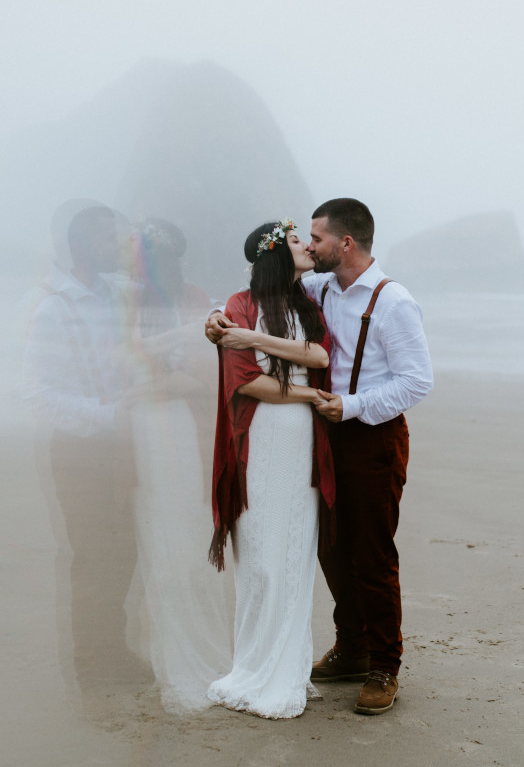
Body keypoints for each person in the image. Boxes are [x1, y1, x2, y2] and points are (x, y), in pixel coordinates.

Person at [206, 198, 433, 715]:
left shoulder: (393, 301)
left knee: (372, 553)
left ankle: (383, 666)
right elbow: (261, 295)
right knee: (329, 547)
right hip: (319, 435)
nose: (309, 246)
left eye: (318, 238)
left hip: (371, 435)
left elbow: (417, 381)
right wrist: (215, 318)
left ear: (345, 244)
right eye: (304, 239)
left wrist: (349, 406)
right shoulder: (318, 287)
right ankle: (351, 648)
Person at [206, 219, 336, 719]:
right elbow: (246, 383)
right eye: (299, 240)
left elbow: (321, 353)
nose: (308, 245)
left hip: (301, 439)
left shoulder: (310, 302)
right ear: (278, 252)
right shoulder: (240, 304)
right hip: (261, 437)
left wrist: (253, 339)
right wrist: (305, 391)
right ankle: (255, 665)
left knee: (293, 549)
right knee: (260, 552)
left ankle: (288, 670)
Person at [22, 205, 150, 703]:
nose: (119, 248)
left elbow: (172, 300)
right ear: (82, 245)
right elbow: (37, 395)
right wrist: (110, 416)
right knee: (94, 556)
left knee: (124, 553)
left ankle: (113, 652)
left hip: (121, 448)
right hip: (78, 450)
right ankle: (93, 668)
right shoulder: (53, 307)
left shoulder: (116, 292)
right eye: (109, 239)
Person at [126, 219, 232, 713]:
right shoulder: (128, 301)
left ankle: (198, 643)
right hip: (144, 423)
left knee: (188, 523)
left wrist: (175, 384)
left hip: (184, 421)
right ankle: (160, 646)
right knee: (156, 529)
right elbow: (119, 365)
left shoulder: (196, 298)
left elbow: (216, 363)